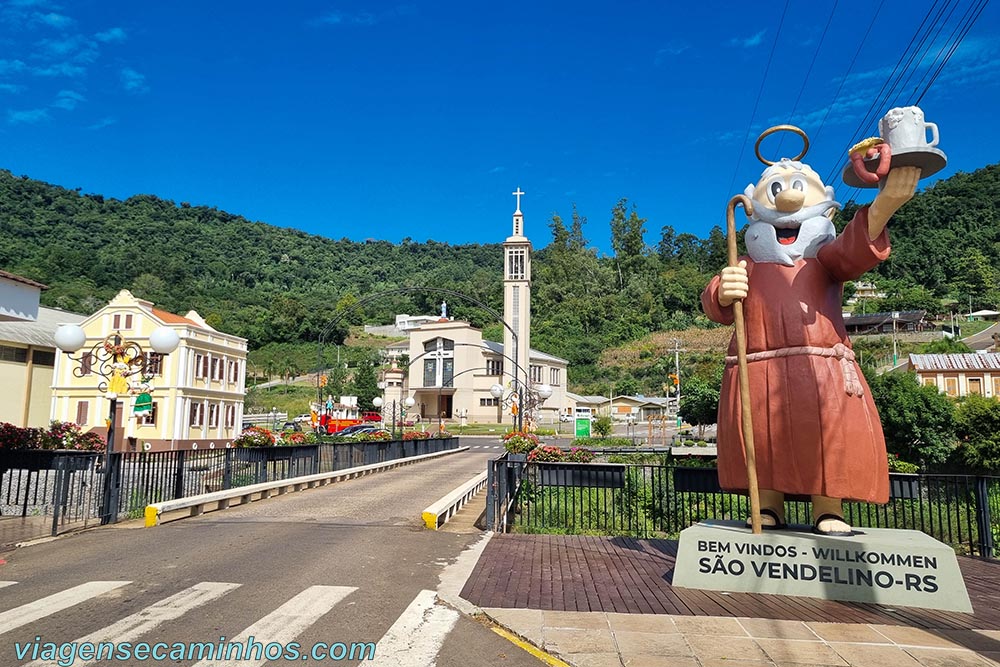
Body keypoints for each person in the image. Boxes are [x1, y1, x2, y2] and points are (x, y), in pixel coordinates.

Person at [701, 157, 919, 536]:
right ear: (752, 208)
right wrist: (722, 291)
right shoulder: (747, 265)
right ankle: (767, 503)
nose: (787, 199)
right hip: (758, 368)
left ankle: (828, 506)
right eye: (776, 189)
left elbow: (855, 248)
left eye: (799, 188)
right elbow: (716, 306)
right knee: (763, 437)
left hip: (821, 368)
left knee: (826, 435)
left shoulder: (825, 260)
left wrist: (884, 204)